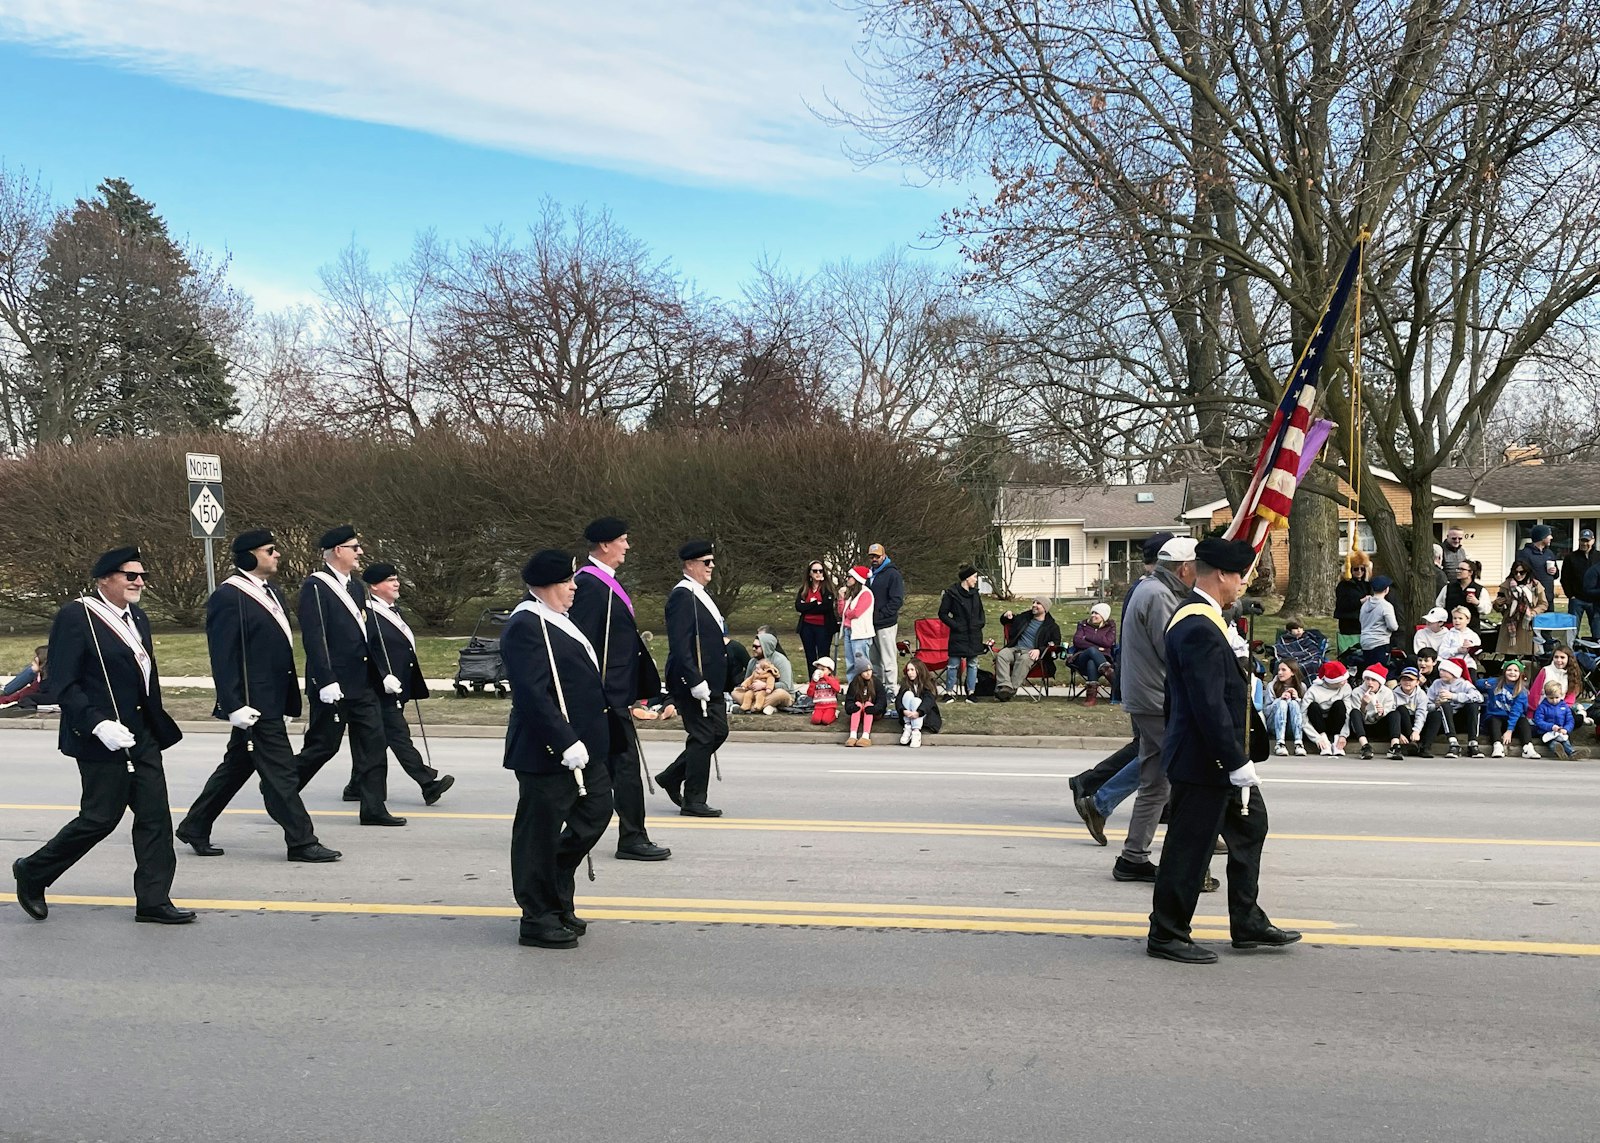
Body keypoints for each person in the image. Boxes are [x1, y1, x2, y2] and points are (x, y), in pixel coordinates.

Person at [12, 546, 194, 925]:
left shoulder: (138, 617)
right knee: (99, 818)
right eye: (131, 576)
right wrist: (97, 724)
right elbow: (63, 682)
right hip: (99, 736)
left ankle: (153, 900)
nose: (139, 582)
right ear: (105, 579)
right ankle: (33, 870)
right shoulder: (76, 617)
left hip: (139, 734)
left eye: (142, 576)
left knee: (155, 817)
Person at [1146, 536, 1299, 964]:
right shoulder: (1197, 625)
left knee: (1251, 829)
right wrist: (1233, 762)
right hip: (1206, 759)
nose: (1244, 585)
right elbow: (1206, 703)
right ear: (1222, 576)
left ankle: (1246, 921)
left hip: (1219, 756)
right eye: (1242, 577)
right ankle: (1167, 933)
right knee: (1189, 847)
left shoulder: (1209, 620)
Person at [177, 530, 341, 864]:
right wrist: (232, 703)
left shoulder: (273, 592)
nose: (277, 554)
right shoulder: (229, 596)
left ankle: (195, 824)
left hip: (272, 697)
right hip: (253, 702)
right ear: (250, 557)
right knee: (280, 772)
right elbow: (222, 656)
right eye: (270, 550)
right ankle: (301, 841)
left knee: (237, 765)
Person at [502, 550, 615, 949]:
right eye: (568, 582)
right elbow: (532, 694)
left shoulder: (559, 620)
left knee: (597, 811)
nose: (574, 588)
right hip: (547, 751)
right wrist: (563, 741)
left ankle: (555, 891)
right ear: (547, 586)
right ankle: (537, 916)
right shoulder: (526, 625)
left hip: (586, 749)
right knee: (538, 834)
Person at [568, 517, 671, 862]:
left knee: (616, 767)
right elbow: (582, 644)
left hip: (615, 693)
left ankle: (630, 833)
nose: (627, 546)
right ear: (605, 545)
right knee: (619, 767)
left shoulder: (608, 583)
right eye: (623, 540)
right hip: (602, 696)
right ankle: (631, 837)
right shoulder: (589, 586)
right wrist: (601, 690)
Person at [294, 525, 406, 827]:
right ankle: (281, 789)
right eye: (354, 547)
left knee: (373, 743)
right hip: (333, 685)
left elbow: (368, 634)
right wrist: (325, 679)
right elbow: (315, 638)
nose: (360, 552)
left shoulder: (356, 587)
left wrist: (384, 673)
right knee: (323, 746)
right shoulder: (315, 587)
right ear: (338, 551)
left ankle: (373, 808)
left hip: (362, 683)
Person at [1102, 535, 1195, 883]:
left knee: (1155, 782)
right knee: (1174, 779)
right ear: (1184, 568)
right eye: (1195, 568)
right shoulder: (1158, 596)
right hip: (1157, 699)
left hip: (1148, 696)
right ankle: (1167, 860)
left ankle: (1134, 856)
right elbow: (1172, 648)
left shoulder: (1151, 588)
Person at [341, 563, 456, 807]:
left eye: (396, 579)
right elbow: (366, 651)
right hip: (378, 688)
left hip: (397, 686)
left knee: (375, 740)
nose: (396, 584)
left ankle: (356, 786)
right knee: (398, 735)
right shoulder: (368, 614)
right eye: (390, 580)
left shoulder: (394, 610)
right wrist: (383, 675)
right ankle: (427, 783)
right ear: (374, 586)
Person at [656, 539, 728, 818]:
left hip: (711, 681)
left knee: (718, 732)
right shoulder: (682, 596)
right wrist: (694, 680)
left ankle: (672, 777)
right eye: (705, 562)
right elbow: (680, 644)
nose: (711, 567)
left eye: (712, 561)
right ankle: (694, 799)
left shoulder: (698, 593)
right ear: (689, 565)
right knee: (703, 735)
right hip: (693, 681)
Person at [994, 598, 1063, 703]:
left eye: (1038, 603)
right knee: (1002, 654)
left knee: (1025, 659)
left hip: (1032, 653)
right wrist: (1006, 615)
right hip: (1015, 649)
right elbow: (1006, 621)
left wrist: (1040, 650)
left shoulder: (1052, 626)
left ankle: (1010, 690)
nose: (1034, 605)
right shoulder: (1024, 618)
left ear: (1045, 608)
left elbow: (1056, 644)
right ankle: (1005, 685)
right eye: (1033, 603)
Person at [937, 564, 985, 701]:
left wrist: (979, 624)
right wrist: (956, 626)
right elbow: (943, 613)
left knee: (973, 664)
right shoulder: (951, 593)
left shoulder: (975, 594)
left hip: (974, 634)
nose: (976, 580)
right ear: (967, 578)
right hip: (958, 634)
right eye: (974, 577)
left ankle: (971, 692)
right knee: (953, 664)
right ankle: (949, 692)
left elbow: (981, 612)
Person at [1421, 657, 1483, 758]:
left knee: (1473, 705)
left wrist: (1453, 696)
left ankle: (1473, 743)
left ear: (1454, 672)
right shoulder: (1436, 684)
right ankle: (1453, 743)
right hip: (1444, 720)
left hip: (1461, 718)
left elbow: (1479, 697)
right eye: (1440, 670)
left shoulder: (1463, 683)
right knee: (1445, 704)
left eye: (1445, 671)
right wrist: (1436, 705)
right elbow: (1426, 704)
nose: (1441, 673)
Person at [866, 543, 905, 697]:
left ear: (884, 555)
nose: (874, 559)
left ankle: (891, 689)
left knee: (888, 659)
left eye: (877, 556)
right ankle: (877, 687)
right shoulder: (870, 574)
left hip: (886, 624)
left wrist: (881, 614)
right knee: (874, 660)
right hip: (870, 624)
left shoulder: (893, 574)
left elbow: (897, 600)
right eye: (872, 556)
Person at [1480, 660, 1534, 759]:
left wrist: (1509, 730)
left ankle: (1528, 747)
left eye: (1516, 670)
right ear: (1504, 671)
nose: (1512, 672)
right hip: (1496, 717)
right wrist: (1483, 685)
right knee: (1494, 719)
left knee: (1523, 720)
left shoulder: (1522, 691)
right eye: (1509, 670)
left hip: (1512, 720)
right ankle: (1497, 746)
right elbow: (1477, 683)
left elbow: (1516, 711)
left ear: (1520, 674)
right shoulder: (1493, 683)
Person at [1493, 560, 1547, 658]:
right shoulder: (1506, 585)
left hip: (1528, 624)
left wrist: (1533, 612)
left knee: (1528, 657)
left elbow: (1543, 604)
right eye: (1515, 572)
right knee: (1510, 657)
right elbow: (1499, 608)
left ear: (1527, 572)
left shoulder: (1535, 585)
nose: (1518, 575)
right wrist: (1498, 604)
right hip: (1510, 624)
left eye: (1522, 572)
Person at [793, 561, 840, 672]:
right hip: (807, 627)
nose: (818, 573)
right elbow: (799, 607)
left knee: (823, 657)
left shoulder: (827, 589)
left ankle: (825, 683)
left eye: (820, 571)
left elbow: (826, 607)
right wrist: (815, 603)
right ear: (810, 573)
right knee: (810, 657)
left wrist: (808, 606)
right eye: (815, 571)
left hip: (823, 627)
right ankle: (812, 683)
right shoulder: (804, 589)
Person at [1348, 664, 1402, 760]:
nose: (1369, 683)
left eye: (1373, 680)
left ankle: (1395, 747)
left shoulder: (1387, 693)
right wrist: (1363, 705)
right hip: (1362, 727)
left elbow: (1388, 713)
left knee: (1395, 714)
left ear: (1380, 682)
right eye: (1367, 679)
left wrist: (1382, 712)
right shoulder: (1357, 692)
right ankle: (1365, 746)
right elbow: (1356, 717)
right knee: (1354, 712)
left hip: (1378, 725)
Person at [1067, 603, 1117, 705]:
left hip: (1102, 659)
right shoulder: (1083, 624)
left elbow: (1108, 642)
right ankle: (1114, 680)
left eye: (1097, 613)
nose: (1093, 615)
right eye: (1092, 613)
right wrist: (1098, 647)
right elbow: (1077, 641)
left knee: (1092, 661)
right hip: (1081, 658)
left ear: (1104, 616)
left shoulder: (1110, 626)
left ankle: (1091, 698)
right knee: (1091, 651)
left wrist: (1087, 637)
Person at [1302, 661, 1356, 756]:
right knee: (1313, 706)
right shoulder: (1313, 691)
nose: (1345, 682)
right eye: (1342, 680)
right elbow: (1303, 716)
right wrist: (1316, 738)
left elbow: (1348, 712)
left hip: (1335, 723)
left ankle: (1336, 741)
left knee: (1339, 704)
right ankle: (1324, 741)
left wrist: (1344, 735)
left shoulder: (1346, 687)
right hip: (1317, 724)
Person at [1530, 645, 1586, 730]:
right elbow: (1534, 693)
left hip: (1561, 706)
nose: (1559, 660)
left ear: (1568, 659)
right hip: (1544, 707)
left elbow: (1570, 697)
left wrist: (1562, 711)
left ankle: (1581, 713)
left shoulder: (1571, 674)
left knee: (1576, 721)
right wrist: (1531, 713)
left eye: (1562, 657)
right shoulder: (1545, 671)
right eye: (1556, 657)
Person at [837, 566, 876, 684]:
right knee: (850, 663)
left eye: (850, 577)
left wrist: (847, 612)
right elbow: (841, 612)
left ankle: (865, 688)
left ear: (857, 579)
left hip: (861, 634)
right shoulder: (852, 594)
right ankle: (853, 688)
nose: (847, 579)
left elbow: (855, 613)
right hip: (849, 631)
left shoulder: (866, 594)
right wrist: (841, 598)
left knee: (862, 664)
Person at [1561, 529, 1598, 640]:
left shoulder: (1599, 557)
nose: (1584, 543)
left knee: (1597, 629)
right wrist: (1570, 595)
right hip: (1577, 599)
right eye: (1582, 540)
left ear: (1593, 541)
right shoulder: (1570, 558)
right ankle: (1572, 652)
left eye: (1587, 541)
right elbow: (1565, 578)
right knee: (1572, 630)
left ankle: (1597, 651)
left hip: (1595, 600)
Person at [1264, 660, 1307, 756]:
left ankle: (1299, 743)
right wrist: (1280, 700)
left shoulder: (1302, 687)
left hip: (1293, 727)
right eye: (1279, 670)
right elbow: (1266, 711)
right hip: (1274, 726)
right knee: (1283, 703)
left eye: (1283, 670)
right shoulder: (1272, 686)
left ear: (1293, 672)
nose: (1280, 673)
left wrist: (1297, 699)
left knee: (1293, 704)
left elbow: (1305, 712)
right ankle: (1279, 744)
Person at [1333, 550, 1373, 655]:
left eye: (1362, 569)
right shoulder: (1343, 586)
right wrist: (1360, 601)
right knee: (1349, 648)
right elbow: (1342, 604)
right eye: (1356, 569)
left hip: (1363, 621)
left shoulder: (1366, 585)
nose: (1359, 571)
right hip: (1349, 621)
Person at [895, 659, 942, 747]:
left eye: (912, 670)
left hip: (924, 714)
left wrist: (919, 712)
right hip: (908, 715)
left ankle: (916, 732)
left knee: (916, 700)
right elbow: (899, 699)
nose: (909, 673)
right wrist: (903, 711)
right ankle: (908, 727)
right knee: (908, 694)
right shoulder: (905, 683)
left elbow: (929, 700)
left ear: (919, 670)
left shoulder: (928, 683)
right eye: (908, 670)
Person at [1437, 558, 1491, 633]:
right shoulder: (1448, 587)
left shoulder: (1480, 590)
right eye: (1458, 569)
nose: (1458, 571)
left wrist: (1477, 603)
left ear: (1470, 573)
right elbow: (1439, 605)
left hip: (1471, 630)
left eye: (1462, 569)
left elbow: (1487, 610)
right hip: (1451, 629)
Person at [843, 657, 885, 747]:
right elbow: (849, 701)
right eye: (865, 671)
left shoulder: (876, 682)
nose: (868, 673)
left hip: (872, 712)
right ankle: (853, 735)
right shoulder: (854, 684)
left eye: (869, 670)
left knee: (868, 704)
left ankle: (866, 736)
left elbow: (882, 701)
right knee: (858, 704)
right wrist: (852, 707)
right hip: (859, 711)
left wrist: (875, 708)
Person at [1530, 678, 1578, 757]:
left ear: (1561, 695)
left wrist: (1566, 729)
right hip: (1546, 731)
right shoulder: (1542, 707)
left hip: (1561, 731)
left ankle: (1572, 752)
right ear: (1546, 696)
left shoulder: (1565, 707)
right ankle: (1558, 751)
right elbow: (1539, 721)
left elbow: (1570, 720)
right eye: (1551, 698)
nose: (1554, 700)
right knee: (1551, 742)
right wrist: (1551, 727)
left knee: (1565, 741)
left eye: (1557, 697)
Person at [1358, 575, 1399, 667]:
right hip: (1380, 643)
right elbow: (1393, 626)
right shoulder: (1386, 606)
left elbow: (1361, 620)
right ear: (1386, 590)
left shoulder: (1365, 604)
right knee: (1379, 671)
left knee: (1369, 669)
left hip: (1365, 643)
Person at [1516, 525, 1560, 606]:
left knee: (1549, 618)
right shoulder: (1525, 554)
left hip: (1548, 598)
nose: (1551, 537)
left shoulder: (1549, 553)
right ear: (1542, 537)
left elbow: (1556, 575)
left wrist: (1555, 571)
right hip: (1533, 598)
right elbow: (1520, 575)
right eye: (1549, 535)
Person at [1392, 666, 1429, 756]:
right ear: (1400, 681)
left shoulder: (1421, 694)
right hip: (1402, 724)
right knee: (1401, 709)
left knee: (1435, 715)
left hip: (1417, 723)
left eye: (1411, 680)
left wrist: (1416, 731)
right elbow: (1391, 715)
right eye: (1404, 679)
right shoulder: (1393, 694)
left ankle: (1425, 747)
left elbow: (1421, 713)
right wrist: (1398, 734)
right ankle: (1412, 743)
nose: (1407, 682)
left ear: (1417, 682)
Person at [0, 645, 47, 710]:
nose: (32, 663)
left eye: (35, 661)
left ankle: (3, 691)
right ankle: (3, 690)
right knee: (30, 670)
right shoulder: (41, 677)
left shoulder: (43, 682)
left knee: (30, 671)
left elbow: (25, 693)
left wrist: (4, 700)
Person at [807, 657, 842, 725]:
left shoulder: (832, 679)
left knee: (826, 720)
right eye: (819, 669)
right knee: (815, 721)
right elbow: (810, 694)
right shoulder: (816, 681)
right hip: (819, 706)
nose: (820, 671)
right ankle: (816, 713)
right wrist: (813, 682)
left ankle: (834, 714)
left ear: (829, 671)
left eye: (823, 669)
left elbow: (837, 689)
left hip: (830, 706)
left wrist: (825, 677)